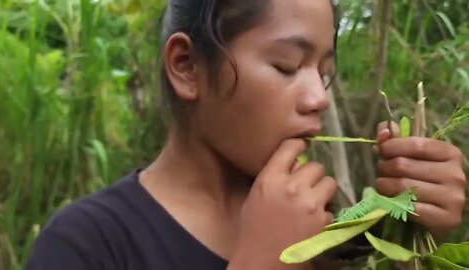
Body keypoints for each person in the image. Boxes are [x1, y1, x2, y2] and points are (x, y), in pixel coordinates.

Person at [25, 0, 467, 269]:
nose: (319, 97)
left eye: (324, 73)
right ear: (186, 67)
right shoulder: (87, 246)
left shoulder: (326, 233)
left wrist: (413, 233)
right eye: (287, 66)